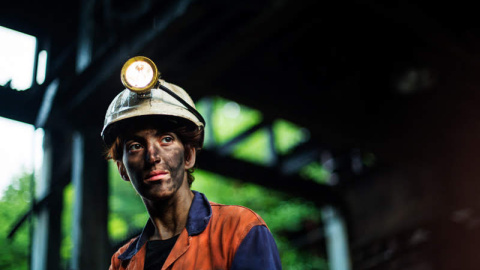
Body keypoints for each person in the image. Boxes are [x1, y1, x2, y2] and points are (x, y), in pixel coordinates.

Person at [102, 56, 282, 270]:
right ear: (122, 168)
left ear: (188, 155)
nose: (152, 156)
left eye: (166, 139)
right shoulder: (122, 262)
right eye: (135, 146)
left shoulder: (239, 229)